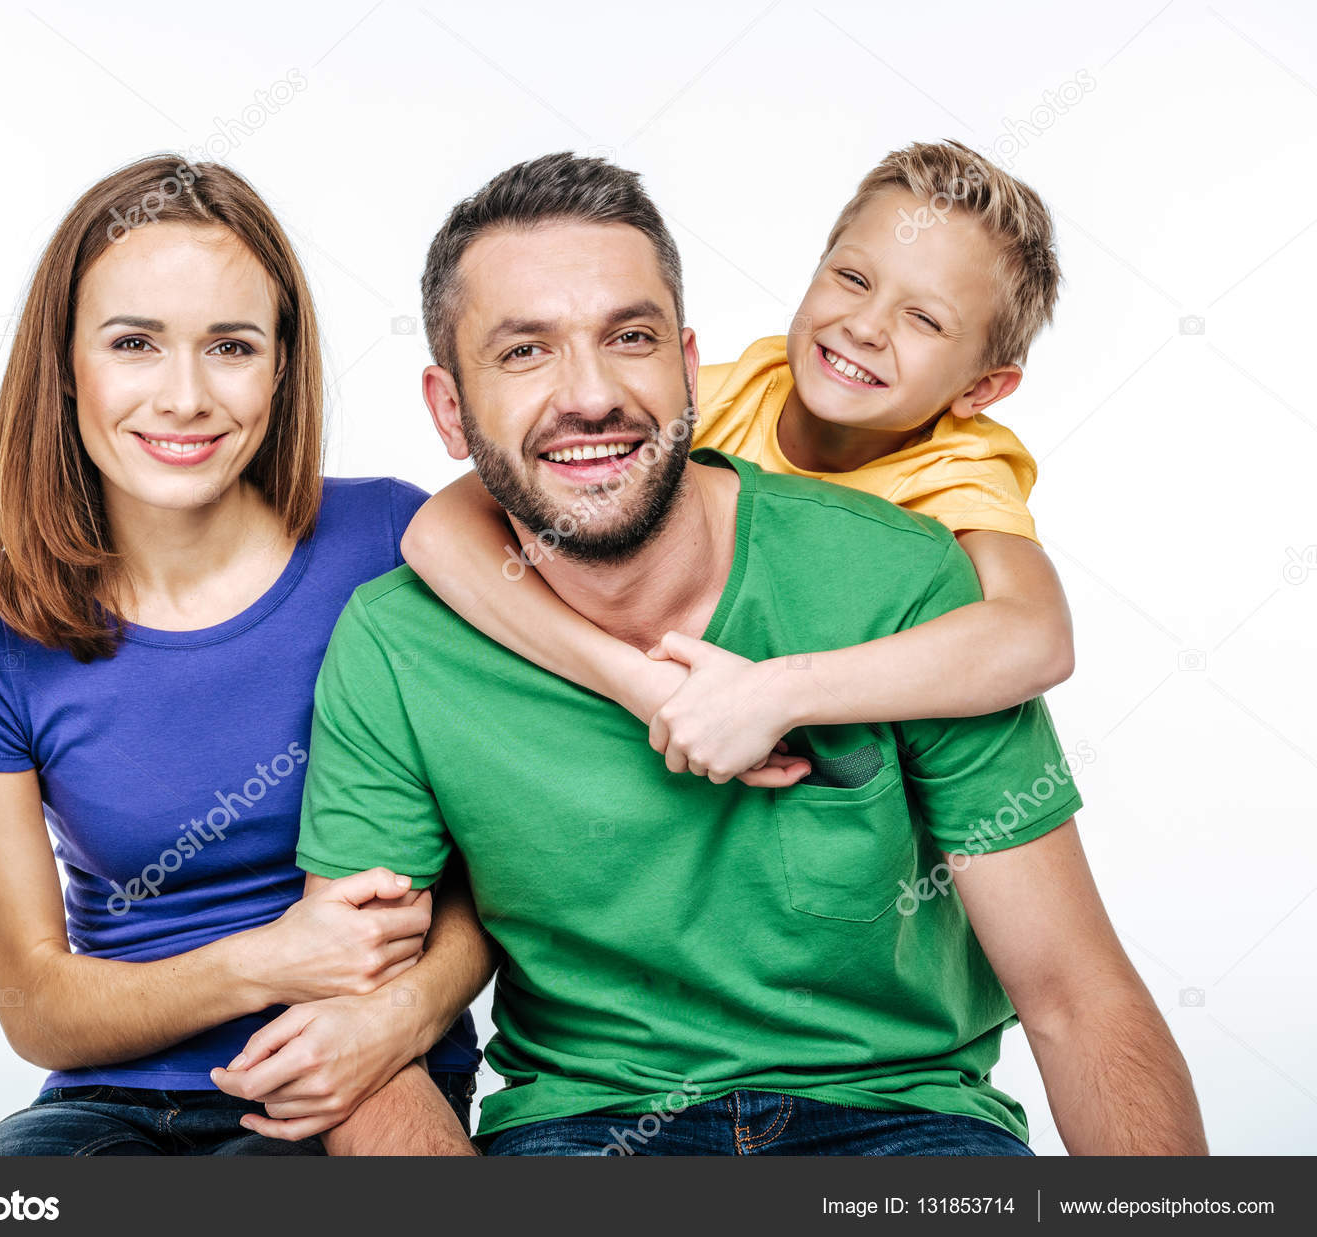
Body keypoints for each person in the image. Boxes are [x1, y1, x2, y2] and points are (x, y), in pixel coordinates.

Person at [285, 152, 1207, 1155]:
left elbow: (1074, 992)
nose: (588, 392)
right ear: (447, 409)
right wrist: (636, 680)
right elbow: (354, 1027)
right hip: (589, 1128)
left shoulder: (924, 562)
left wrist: (783, 690)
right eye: (525, 351)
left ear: (686, 364)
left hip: (902, 1122)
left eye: (628, 337)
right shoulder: (400, 640)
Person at [0, 154, 482, 1156]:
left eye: (231, 346)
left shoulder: (395, 541)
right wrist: (269, 960)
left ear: (281, 366)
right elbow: (36, 1004)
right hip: (111, 1099)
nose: (185, 397)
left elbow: (498, 868)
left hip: (359, 1068)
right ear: (64, 363)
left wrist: (404, 1014)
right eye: (134, 343)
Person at [401, 141, 1074, 787]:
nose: (865, 327)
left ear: (981, 389)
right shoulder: (722, 395)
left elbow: (1036, 639)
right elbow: (438, 532)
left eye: (924, 319)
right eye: (852, 279)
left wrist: (778, 694)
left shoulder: (960, 470)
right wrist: (636, 683)